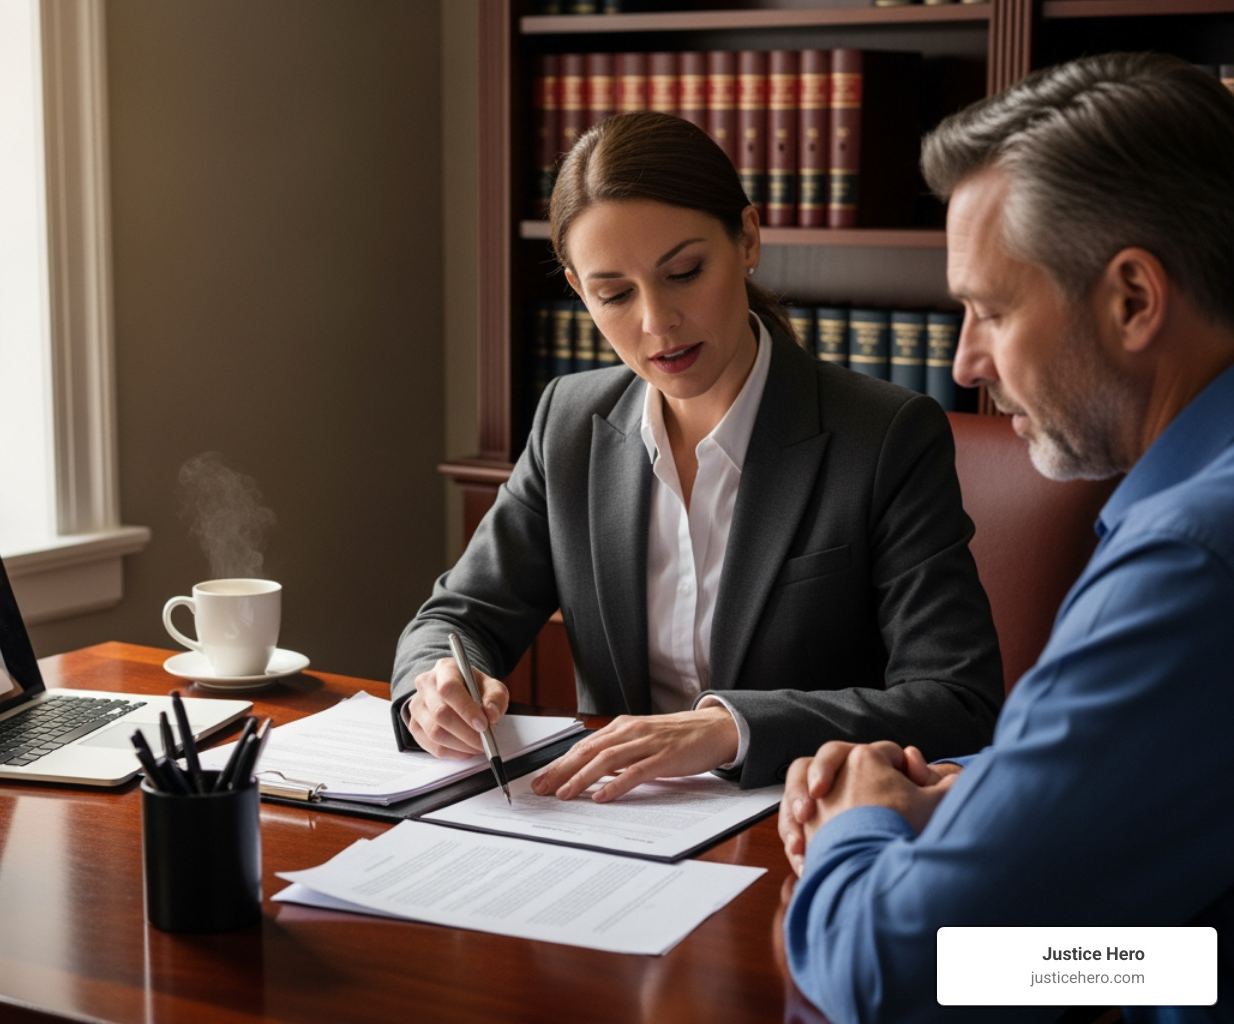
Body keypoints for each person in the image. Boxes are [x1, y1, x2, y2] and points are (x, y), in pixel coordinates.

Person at [780, 52, 1234, 1023]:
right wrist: (981, 794)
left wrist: (855, 826)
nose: (965, 361)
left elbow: (890, 973)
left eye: (990, 308)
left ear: (1133, 300)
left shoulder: (1192, 559)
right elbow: (1192, 951)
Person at [389, 110, 1002, 800]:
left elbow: (957, 700)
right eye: (613, 294)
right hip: (610, 825)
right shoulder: (571, 421)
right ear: (577, 289)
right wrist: (439, 686)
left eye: (684, 272)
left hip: (800, 825)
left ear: (746, 239)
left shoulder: (886, 435)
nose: (656, 322)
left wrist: (730, 727)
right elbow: (455, 620)